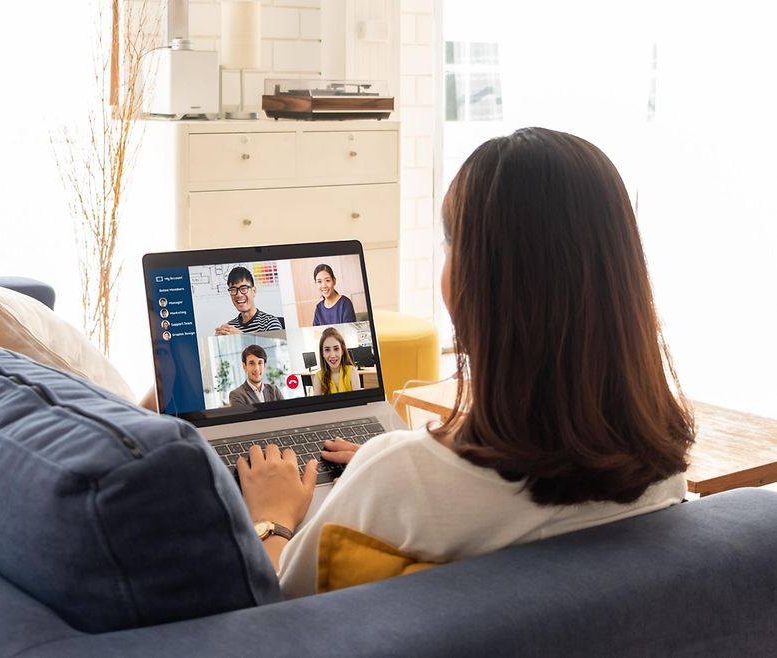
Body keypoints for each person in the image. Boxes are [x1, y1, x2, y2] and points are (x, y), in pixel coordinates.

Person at [236, 127, 695, 598]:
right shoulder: (663, 473)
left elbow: (279, 610)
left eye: (450, 243)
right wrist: (393, 466)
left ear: (479, 283)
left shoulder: (400, 479)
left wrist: (271, 518)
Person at [215, 267, 284, 335]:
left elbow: (275, 346)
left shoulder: (270, 323)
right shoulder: (229, 328)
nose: (238, 295)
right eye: (233, 289)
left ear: (253, 291)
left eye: (244, 288)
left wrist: (241, 337)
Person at [312, 327, 361, 395]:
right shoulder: (318, 377)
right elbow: (318, 405)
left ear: (342, 351)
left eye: (336, 349)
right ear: (322, 353)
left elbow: (358, 402)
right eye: (327, 350)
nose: (332, 355)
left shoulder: (352, 372)